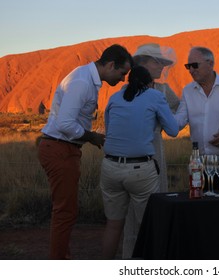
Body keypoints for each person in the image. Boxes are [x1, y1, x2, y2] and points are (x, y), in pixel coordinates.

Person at [38, 44, 132, 259]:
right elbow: (64, 124)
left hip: (64, 148)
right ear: (110, 65)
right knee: (64, 212)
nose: (123, 79)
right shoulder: (82, 82)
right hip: (59, 148)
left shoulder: (86, 79)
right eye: (122, 73)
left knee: (66, 211)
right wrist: (91, 136)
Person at [100, 65, 179, 259]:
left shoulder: (114, 98)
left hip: (110, 168)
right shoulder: (155, 96)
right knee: (149, 226)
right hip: (140, 170)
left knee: (113, 225)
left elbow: (110, 130)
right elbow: (174, 130)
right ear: (150, 83)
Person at [121, 43, 179, 259]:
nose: (161, 67)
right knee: (132, 214)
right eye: (157, 62)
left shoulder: (163, 89)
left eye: (163, 63)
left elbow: (179, 108)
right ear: (143, 63)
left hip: (155, 150)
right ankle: (131, 259)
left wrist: (168, 121)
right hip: (131, 152)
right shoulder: (125, 91)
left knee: (155, 205)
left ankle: (155, 258)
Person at [175, 46, 219, 156]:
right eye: (188, 66)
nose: (191, 70)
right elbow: (180, 120)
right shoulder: (188, 91)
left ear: (210, 64)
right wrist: (161, 114)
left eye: (195, 65)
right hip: (199, 160)